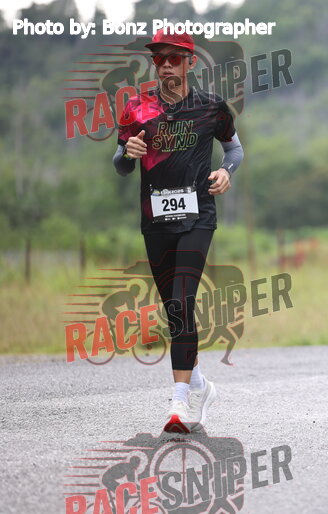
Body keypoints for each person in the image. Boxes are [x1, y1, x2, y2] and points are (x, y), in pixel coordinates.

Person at [112, 30, 244, 433]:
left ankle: (180, 401)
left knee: (183, 299)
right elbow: (120, 163)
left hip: (198, 216)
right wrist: (128, 153)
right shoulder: (136, 107)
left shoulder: (211, 107)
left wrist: (226, 171)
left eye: (174, 58)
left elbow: (234, 149)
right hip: (155, 219)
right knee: (174, 307)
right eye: (159, 58)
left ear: (190, 62)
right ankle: (200, 384)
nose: (166, 65)